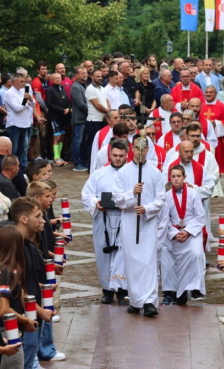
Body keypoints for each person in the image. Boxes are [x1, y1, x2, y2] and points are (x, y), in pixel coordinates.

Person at [112, 134, 165, 317]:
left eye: (143, 148)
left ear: (148, 149)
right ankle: (135, 300)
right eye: (136, 147)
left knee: (148, 262)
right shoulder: (123, 172)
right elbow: (117, 198)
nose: (139, 151)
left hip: (147, 224)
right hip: (129, 223)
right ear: (132, 148)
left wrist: (147, 208)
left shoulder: (155, 172)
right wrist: (131, 193)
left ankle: (150, 301)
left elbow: (161, 199)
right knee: (132, 262)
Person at [10, 197, 55, 369]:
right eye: (38, 216)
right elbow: (17, 287)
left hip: (32, 319)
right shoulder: (14, 247)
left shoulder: (29, 246)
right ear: (24, 219)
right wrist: (41, 311)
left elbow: (30, 281)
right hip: (22, 320)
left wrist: (44, 288)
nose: (43, 220)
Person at [82, 140, 129, 305]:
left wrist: (128, 203)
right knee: (104, 255)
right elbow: (86, 194)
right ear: (110, 154)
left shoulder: (131, 174)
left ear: (126, 155)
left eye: (121, 156)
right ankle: (108, 290)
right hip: (103, 219)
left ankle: (123, 291)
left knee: (123, 255)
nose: (117, 159)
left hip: (125, 219)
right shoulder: (99, 174)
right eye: (115, 155)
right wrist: (97, 202)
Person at [0, 226, 39, 369]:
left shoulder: (7, 269)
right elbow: (3, 309)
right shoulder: (4, 271)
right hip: (7, 331)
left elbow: (19, 294)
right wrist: (26, 321)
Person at [166, 165, 206, 305]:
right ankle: (180, 292)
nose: (176, 179)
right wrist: (175, 233)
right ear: (170, 178)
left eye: (179, 176)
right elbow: (165, 220)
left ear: (184, 177)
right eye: (173, 176)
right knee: (172, 262)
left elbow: (200, 216)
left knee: (195, 254)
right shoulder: (166, 197)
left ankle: (196, 289)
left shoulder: (193, 194)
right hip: (175, 233)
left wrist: (187, 232)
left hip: (191, 231)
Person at [4, 73, 36, 170]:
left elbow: (33, 105)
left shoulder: (23, 91)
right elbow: (17, 108)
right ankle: (11, 168)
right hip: (14, 124)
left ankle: (21, 169)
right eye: (22, 81)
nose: (24, 83)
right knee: (14, 149)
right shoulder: (9, 93)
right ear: (15, 82)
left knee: (22, 149)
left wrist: (30, 98)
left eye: (24, 81)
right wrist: (25, 101)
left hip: (25, 123)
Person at [199, 86, 224, 173]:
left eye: (211, 92)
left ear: (215, 94)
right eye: (206, 92)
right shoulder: (200, 106)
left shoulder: (222, 107)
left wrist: (216, 123)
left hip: (217, 139)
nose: (208, 94)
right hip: (201, 137)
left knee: (216, 159)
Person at [85, 69, 111, 167]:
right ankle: (91, 165)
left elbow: (107, 101)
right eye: (97, 76)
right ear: (92, 77)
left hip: (103, 119)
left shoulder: (102, 88)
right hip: (94, 120)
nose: (100, 78)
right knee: (93, 143)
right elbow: (97, 105)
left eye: (101, 76)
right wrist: (109, 113)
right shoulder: (90, 89)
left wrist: (109, 112)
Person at [45, 73, 71, 167]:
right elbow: (49, 103)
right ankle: (56, 157)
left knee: (62, 136)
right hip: (55, 116)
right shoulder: (50, 90)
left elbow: (67, 101)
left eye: (59, 78)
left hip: (64, 117)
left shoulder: (63, 89)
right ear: (52, 79)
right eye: (55, 78)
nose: (57, 80)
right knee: (57, 136)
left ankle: (59, 156)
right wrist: (61, 110)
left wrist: (68, 109)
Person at [70, 66, 89, 171]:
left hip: (85, 118)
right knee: (78, 141)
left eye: (85, 73)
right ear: (76, 75)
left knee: (84, 141)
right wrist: (91, 111)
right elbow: (81, 104)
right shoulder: (75, 87)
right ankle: (77, 163)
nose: (85, 74)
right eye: (82, 73)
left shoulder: (84, 85)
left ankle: (82, 161)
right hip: (79, 119)